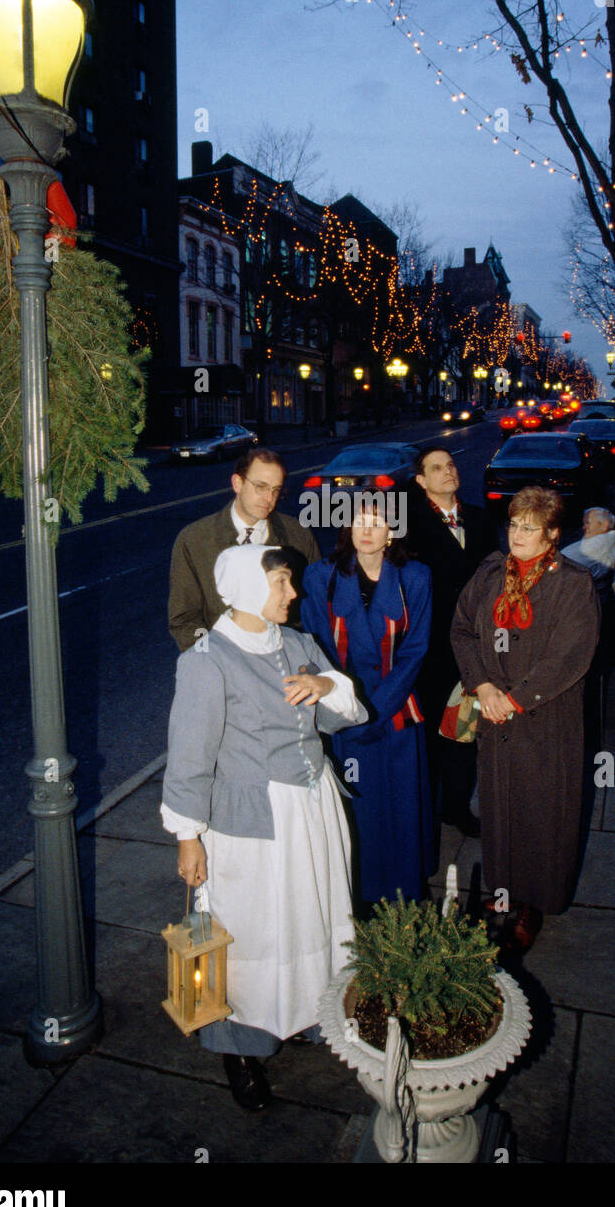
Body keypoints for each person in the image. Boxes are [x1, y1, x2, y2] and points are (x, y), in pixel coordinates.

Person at [161, 544, 367, 1112]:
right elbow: (189, 758)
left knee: (312, 916)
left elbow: (344, 711)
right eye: (281, 583)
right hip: (250, 823)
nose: (292, 593)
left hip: (312, 810)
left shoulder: (298, 642)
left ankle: (310, 1013)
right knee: (252, 933)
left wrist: (328, 687)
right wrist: (187, 836)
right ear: (251, 588)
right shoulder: (207, 661)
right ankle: (239, 1045)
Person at [450, 486, 600, 952]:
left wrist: (514, 699)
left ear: (552, 534)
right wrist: (484, 686)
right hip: (495, 714)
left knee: (542, 811)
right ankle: (503, 889)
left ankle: (534, 901)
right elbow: (462, 630)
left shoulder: (573, 583)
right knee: (499, 805)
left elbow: (569, 657)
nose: (518, 534)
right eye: (514, 524)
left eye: (529, 527)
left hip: (545, 718)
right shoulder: (491, 572)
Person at [301, 503, 433, 909]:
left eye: (378, 523)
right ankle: (357, 896)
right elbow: (314, 646)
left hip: (396, 712)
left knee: (401, 806)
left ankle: (405, 895)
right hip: (343, 713)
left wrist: (376, 711)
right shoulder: (322, 575)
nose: (367, 531)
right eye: (359, 521)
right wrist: (348, 709)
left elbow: (414, 651)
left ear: (393, 531)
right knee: (358, 809)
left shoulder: (414, 577)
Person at [404, 447, 497, 838]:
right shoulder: (407, 524)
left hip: (473, 648)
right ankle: (425, 813)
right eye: (437, 468)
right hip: (428, 651)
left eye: (452, 465)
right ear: (421, 481)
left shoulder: (479, 518)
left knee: (466, 732)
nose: (449, 472)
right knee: (428, 738)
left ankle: (457, 808)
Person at [168, 447, 320, 650]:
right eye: (261, 486)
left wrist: (297, 654)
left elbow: (315, 606)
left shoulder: (298, 537)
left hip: (282, 659)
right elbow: (185, 619)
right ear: (237, 483)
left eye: (276, 490)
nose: (269, 498)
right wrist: (209, 658)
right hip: (222, 662)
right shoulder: (195, 540)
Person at [561, 507, 615, 585]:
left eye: (587, 523)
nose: (584, 527)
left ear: (605, 525)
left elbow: (563, 564)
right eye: (584, 524)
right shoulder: (602, 540)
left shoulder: (601, 543)